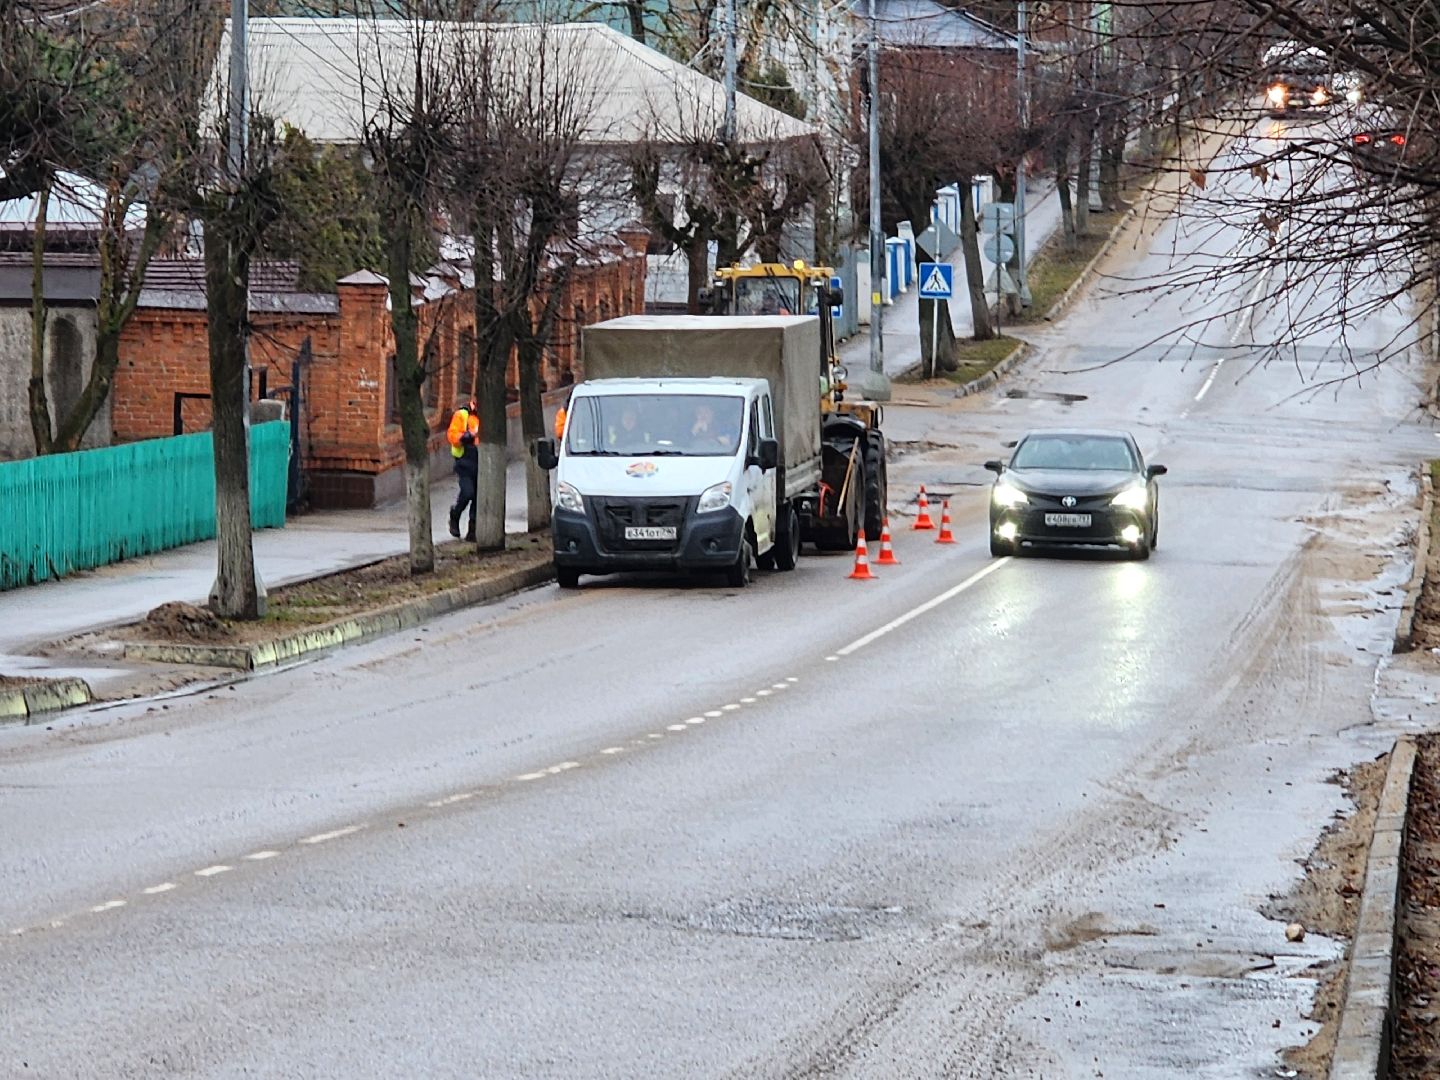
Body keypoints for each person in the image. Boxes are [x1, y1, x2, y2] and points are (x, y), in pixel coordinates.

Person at [447, 396, 480, 540]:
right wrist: (467, 436)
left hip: (481, 461)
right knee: (468, 493)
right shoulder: (462, 415)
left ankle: (473, 529)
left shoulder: (488, 417)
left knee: (478, 497)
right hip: (465, 462)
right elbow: (452, 435)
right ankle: (455, 514)